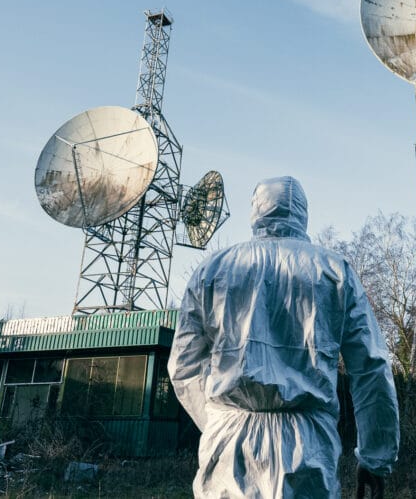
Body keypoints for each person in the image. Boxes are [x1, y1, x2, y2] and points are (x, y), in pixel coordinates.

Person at [168, 176, 399, 498]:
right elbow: (371, 368)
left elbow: (184, 367)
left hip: (229, 443)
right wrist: (376, 458)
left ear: (255, 211)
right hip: (308, 446)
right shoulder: (333, 270)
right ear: (303, 213)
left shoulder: (213, 270)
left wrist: (219, 421)